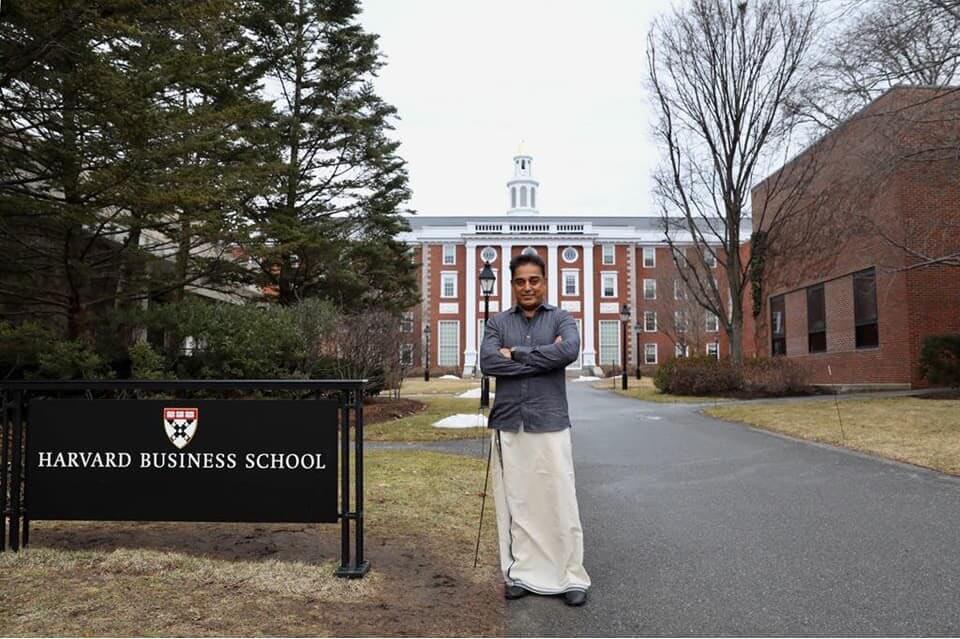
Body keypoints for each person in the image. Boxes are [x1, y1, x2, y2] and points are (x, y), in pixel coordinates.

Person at [479, 252, 591, 607]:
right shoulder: (497, 323)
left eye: (534, 280)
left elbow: (570, 350)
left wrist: (518, 355)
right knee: (518, 501)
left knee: (560, 497)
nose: (527, 287)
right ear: (512, 285)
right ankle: (521, 574)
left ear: (544, 282)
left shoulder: (562, 318)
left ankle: (571, 576)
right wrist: (543, 357)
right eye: (520, 281)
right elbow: (488, 361)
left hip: (550, 418)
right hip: (510, 420)